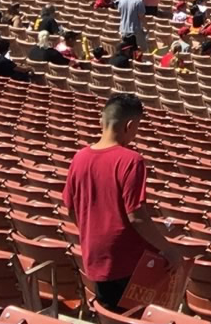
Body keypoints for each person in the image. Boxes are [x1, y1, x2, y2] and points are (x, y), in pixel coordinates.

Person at [62, 94, 183, 310]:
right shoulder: (131, 160)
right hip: (127, 263)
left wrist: (92, 233)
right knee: (135, 322)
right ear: (130, 125)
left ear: (102, 121)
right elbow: (136, 215)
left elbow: (71, 208)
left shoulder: (79, 157)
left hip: (96, 257)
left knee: (110, 320)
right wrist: (168, 249)